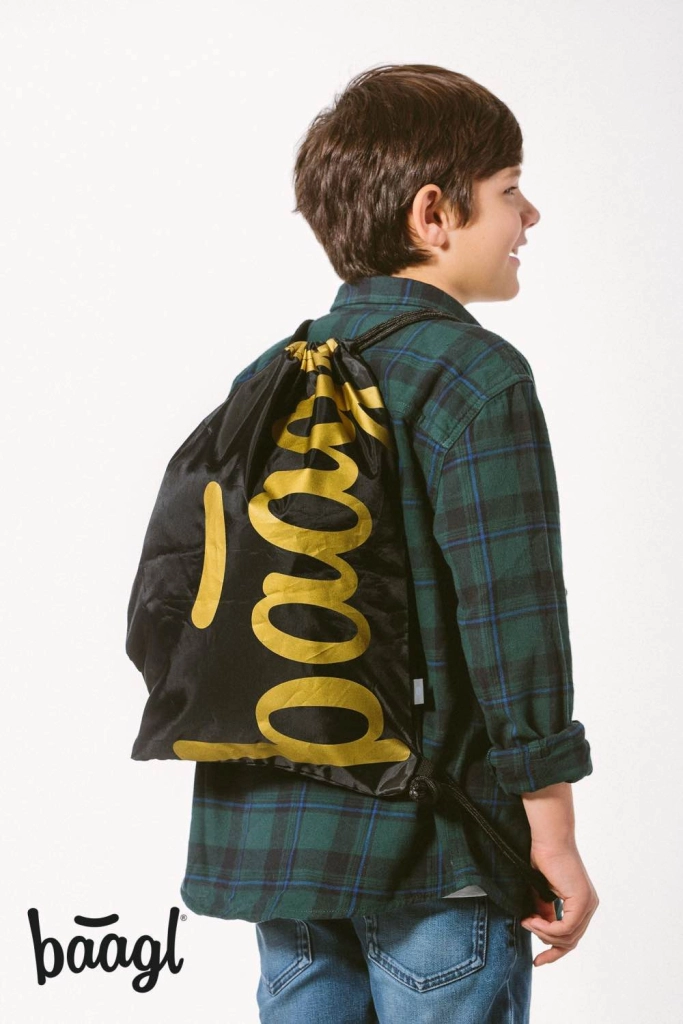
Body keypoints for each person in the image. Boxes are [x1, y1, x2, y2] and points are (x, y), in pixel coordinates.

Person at [179, 63, 599, 1022]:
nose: (529, 216)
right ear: (432, 214)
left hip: (276, 848)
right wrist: (552, 833)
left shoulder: (266, 376)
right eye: (509, 190)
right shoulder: (474, 376)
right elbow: (514, 619)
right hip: (435, 846)